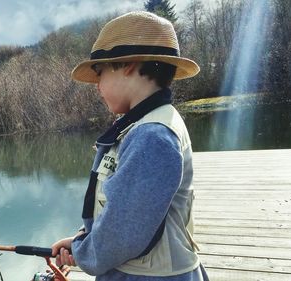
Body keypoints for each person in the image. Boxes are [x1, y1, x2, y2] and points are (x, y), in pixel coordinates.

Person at [51, 11, 210, 281]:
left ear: (128, 65)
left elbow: (123, 233)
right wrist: (84, 238)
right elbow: (121, 209)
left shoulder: (151, 136)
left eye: (100, 73)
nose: (97, 85)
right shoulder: (144, 124)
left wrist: (84, 251)